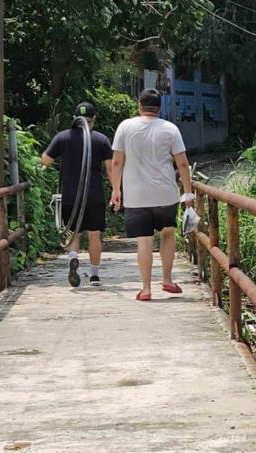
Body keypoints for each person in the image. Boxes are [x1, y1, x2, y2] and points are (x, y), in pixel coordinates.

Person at [109, 88, 194, 301]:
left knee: (144, 240)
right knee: (167, 234)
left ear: (139, 105)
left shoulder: (125, 127)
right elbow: (182, 163)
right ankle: (167, 279)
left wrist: (116, 189)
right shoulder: (170, 129)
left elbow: (117, 161)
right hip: (166, 194)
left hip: (136, 196)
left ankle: (146, 288)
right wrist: (188, 193)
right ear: (160, 107)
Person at [42, 102, 113, 287]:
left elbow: (46, 160)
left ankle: (73, 258)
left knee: (72, 234)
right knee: (94, 235)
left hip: (70, 195)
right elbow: (110, 168)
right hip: (94, 194)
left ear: (75, 118)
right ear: (94, 119)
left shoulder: (63, 137)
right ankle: (95, 275)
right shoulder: (101, 139)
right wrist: (116, 191)